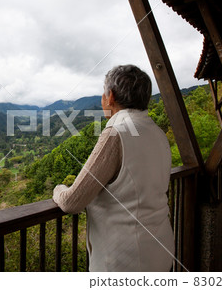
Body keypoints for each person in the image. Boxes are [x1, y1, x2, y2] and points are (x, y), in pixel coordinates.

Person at [52, 64, 174, 272]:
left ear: (111, 97)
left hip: (125, 260)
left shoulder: (116, 133)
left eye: (103, 92)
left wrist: (58, 189)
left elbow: (72, 202)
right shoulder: (157, 132)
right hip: (161, 248)